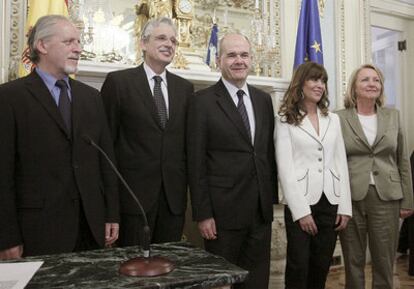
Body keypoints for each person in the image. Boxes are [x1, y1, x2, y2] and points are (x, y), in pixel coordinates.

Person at [0, 15, 119, 259]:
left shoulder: (91, 98)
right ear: (42, 46)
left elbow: (106, 163)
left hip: (90, 228)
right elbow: (2, 175)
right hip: (37, 231)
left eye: (79, 41)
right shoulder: (10, 97)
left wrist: (111, 214)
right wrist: (7, 237)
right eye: (68, 42)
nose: (78, 48)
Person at [187, 33, 278, 289]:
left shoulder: (263, 100)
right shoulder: (201, 102)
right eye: (232, 55)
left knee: (257, 282)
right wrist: (203, 214)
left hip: (260, 214)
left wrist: (269, 201)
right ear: (219, 60)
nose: (239, 60)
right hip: (222, 216)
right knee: (223, 284)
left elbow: (265, 154)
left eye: (244, 55)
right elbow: (196, 162)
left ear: (251, 59)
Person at [101, 17, 194, 246]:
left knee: (168, 267)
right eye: (161, 38)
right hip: (132, 199)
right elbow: (106, 147)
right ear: (143, 43)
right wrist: (110, 207)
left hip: (172, 201)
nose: (169, 44)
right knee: (132, 271)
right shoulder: (119, 83)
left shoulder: (185, 88)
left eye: (173, 40)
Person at [275, 61, 352, 289]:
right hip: (302, 203)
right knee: (299, 267)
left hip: (331, 201)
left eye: (323, 81)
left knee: (321, 266)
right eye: (314, 79)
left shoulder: (333, 119)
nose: (320, 85)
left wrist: (345, 207)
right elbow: (285, 168)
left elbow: (340, 163)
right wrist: (301, 212)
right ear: (301, 83)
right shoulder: (285, 119)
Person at [337, 64, 414, 289]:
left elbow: (402, 160)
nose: (372, 84)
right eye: (365, 80)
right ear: (354, 87)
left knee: (383, 260)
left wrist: (408, 199)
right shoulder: (339, 118)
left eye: (376, 80)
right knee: (353, 260)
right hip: (351, 197)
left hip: (387, 197)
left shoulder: (393, 116)